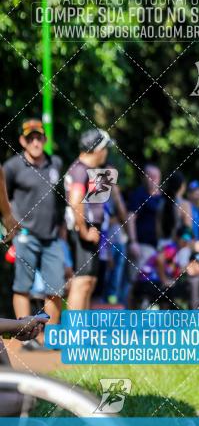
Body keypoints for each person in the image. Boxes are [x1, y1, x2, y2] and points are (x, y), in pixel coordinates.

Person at [3, 119, 65, 329]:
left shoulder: (55, 163)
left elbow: (61, 200)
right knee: (22, 287)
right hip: (25, 235)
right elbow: (4, 198)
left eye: (39, 138)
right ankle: (24, 334)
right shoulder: (12, 167)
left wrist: (62, 228)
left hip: (52, 237)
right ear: (22, 141)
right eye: (31, 139)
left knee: (56, 289)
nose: (36, 143)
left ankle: (51, 335)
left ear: (45, 140)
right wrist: (8, 226)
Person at [64, 128, 118, 310]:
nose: (106, 152)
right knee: (82, 281)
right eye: (105, 148)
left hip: (90, 230)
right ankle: (74, 334)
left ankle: (82, 331)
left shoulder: (87, 169)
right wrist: (85, 231)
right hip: (83, 231)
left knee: (90, 282)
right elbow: (75, 201)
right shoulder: (80, 169)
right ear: (97, 149)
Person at [127, 163, 163, 270]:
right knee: (137, 282)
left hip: (159, 248)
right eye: (150, 176)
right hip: (142, 246)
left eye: (156, 177)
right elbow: (130, 218)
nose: (153, 179)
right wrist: (133, 242)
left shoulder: (162, 197)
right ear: (144, 178)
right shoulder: (139, 195)